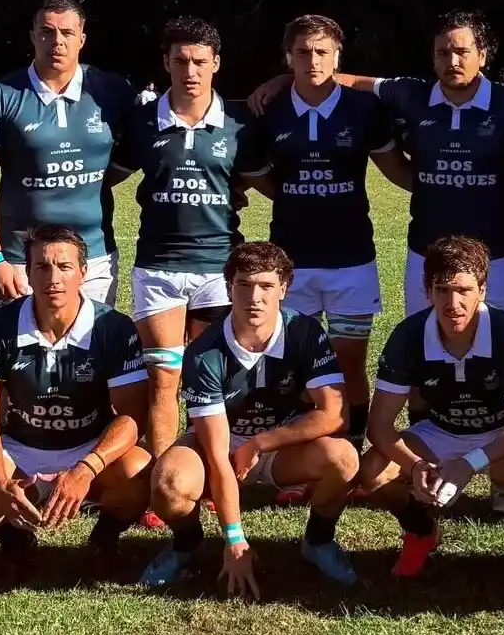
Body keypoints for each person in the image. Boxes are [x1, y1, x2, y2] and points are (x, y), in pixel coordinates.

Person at [247, 10, 504, 318]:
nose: (452, 60)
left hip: (497, 252)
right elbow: (343, 78)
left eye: (462, 51)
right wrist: (282, 80)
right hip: (424, 250)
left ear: (482, 54)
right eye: (442, 52)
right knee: (424, 352)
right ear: (432, 59)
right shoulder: (410, 94)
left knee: (500, 351)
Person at [139, 242, 358, 593]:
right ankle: (186, 543)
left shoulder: (305, 332)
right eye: (244, 285)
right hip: (222, 448)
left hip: (283, 447)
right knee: (169, 481)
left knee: (343, 459)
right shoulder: (203, 352)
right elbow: (215, 454)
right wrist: (234, 539)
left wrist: (261, 442)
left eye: (266, 286)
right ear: (229, 289)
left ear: (284, 289)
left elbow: (335, 414)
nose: (254, 297)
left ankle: (318, 541)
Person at [0, 226, 151, 572]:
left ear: (83, 272)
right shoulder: (1, 324)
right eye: (42, 267)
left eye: (64, 267)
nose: (53, 278)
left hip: (88, 445)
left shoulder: (113, 326)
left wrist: (86, 469)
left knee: (142, 471)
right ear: (29, 272)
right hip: (19, 448)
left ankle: (105, 538)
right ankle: (15, 539)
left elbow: (133, 414)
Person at [239, 15, 404, 456]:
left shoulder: (364, 109)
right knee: (295, 363)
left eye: (321, 51)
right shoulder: (267, 110)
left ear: (337, 56)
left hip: (351, 258)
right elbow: (256, 173)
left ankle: (351, 443)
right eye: (302, 52)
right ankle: (298, 450)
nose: (312, 60)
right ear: (287, 56)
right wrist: (292, 198)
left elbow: (398, 171)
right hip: (290, 260)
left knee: (350, 359)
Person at [359, 236, 504, 585]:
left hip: (499, 434)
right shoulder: (408, 335)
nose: (453, 303)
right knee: (373, 470)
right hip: (441, 432)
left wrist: (469, 463)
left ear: (483, 290)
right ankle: (421, 531)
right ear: (428, 291)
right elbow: (380, 425)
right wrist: (414, 466)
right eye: (443, 290)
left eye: (464, 290)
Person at [108, 17, 252, 458]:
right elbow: (103, 178)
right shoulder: (141, 122)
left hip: (218, 266)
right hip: (159, 267)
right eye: (181, 61)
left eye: (200, 62)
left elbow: (268, 184)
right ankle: (164, 473)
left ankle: (212, 470)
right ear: (166, 63)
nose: (190, 71)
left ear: (216, 64)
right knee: (164, 378)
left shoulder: (239, 125)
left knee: (211, 376)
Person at [0, 0, 135, 312]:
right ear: (32, 36)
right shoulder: (0, 95)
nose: (57, 42)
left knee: (88, 354)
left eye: (67, 33)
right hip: (19, 259)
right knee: (19, 356)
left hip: (93, 258)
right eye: (47, 31)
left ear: (82, 38)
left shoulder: (111, 90)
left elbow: (156, 139)